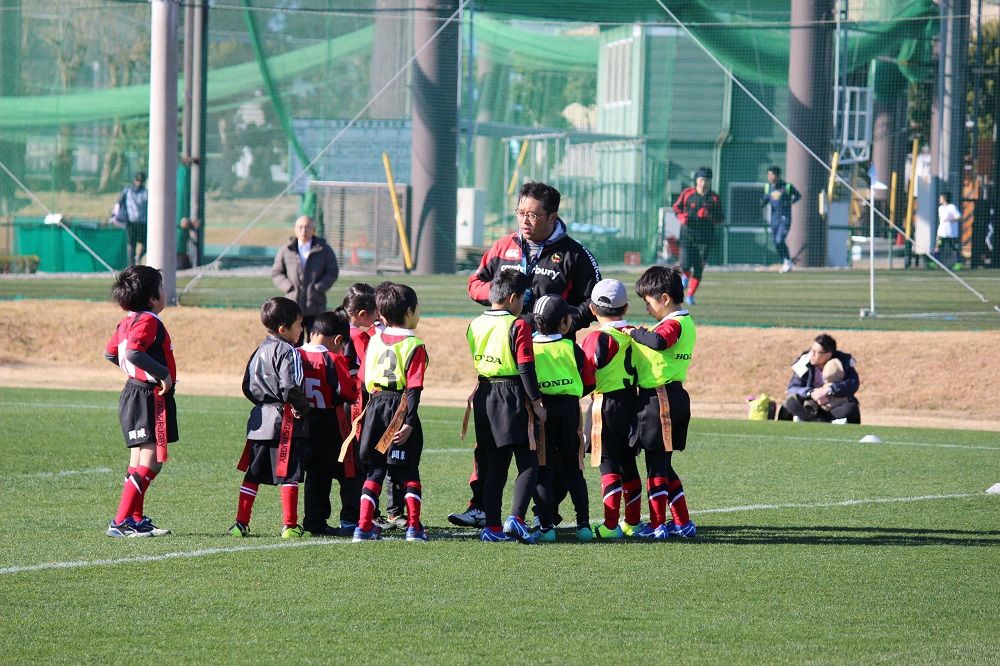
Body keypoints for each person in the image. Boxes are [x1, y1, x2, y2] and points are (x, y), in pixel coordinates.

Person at [452, 180, 601, 529]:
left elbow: (595, 301)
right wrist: (499, 295)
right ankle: (480, 507)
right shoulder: (503, 247)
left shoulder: (575, 254)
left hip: (549, 364)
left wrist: (566, 320)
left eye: (533, 215)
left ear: (552, 216)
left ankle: (544, 513)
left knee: (551, 444)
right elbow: (475, 283)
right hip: (507, 364)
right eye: (520, 213)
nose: (525, 220)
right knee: (492, 440)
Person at [467, 270, 546, 543]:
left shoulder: (475, 324)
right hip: (512, 394)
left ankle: (492, 527)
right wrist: (536, 402)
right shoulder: (518, 325)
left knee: (495, 466)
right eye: (523, 298)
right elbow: (525, 367)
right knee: (529, 461)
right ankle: (516, 519)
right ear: (513, 297)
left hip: (484, 393)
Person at [103, 265, 177, 538]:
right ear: (153, 298)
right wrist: (163, 375)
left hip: (134, 392)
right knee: (152, 461)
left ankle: (135, 519)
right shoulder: (149, 321)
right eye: (161, 287)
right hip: (148, 396)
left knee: (137, 460)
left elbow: (111, 353)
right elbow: (133, 352)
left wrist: (135, 372)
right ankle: (120, 521)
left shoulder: (127, 322)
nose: (164, 292)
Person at [353, 282, 429, 542]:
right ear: (409, 312)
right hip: (400, 407)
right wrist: (409, 421)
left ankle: (363, 527)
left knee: (375, 469)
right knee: (408, 470)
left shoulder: (374, 341)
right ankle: (414, 527)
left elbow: (364, 379)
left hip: (375, 406)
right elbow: (414, 387)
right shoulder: (414, 345)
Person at [230, 297, 311, 539]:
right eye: (299, 325)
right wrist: (301, 407)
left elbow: (246, 385)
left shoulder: (258, 350)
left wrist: (262, 404)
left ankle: (240, 524)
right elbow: (290, 386)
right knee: (289, 472)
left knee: (253, 473)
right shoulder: (289, 351)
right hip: (284, 420)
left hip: (259, 420)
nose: (301, 330)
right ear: (283, 329)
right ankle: (290, 525)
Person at [628, 265, 697, 539]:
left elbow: (659, 341)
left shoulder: (674, 324)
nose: (647, 309)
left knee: (656, 465)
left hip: (661, 399)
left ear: (665, 298)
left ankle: (657, 525)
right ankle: (683, 522)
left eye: (649, 302)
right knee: (664, 465)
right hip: (668, 396)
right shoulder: (682, 322)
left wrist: (635, 333)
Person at [530, 295, 595, 543]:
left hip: (541, 409)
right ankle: (584, 526)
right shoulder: (572, 348)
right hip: (569, 409)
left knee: (543, 468)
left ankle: (546, 527)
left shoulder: (530, 348)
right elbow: (589, 381)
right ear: (565, 323)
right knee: (574, 467)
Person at [581, 279, 641, 541]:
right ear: (625, 308)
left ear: (592, 309)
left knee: (608, 464)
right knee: (629, 463)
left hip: (604, 405)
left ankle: (610, 525)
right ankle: (633, 522)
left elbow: (585, 374)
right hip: (633, 403)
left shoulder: (596, 338)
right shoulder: (636, 335)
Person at [341, 283, 404, 532]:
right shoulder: (358, 336)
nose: (379, 316)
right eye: (376, 311)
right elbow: (364, 371)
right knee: (371, 457)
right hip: (363, 402)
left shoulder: (344, 329)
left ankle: (377, 512)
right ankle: (371, 513)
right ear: (362, 313)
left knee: (368, 457)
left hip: (355, 402)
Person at [297, 309, 360, 537]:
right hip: (330, 421)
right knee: (351, 470)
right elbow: (349, 393)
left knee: (316, 473)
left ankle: (314, 521)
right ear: (338, 340)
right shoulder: (333, 359)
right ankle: (350, 519)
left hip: (302, 422)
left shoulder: (295, 354)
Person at [271, 215, 340, 336]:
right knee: (294, 341)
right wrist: (289, 287)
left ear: (313, 230)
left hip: (316, 305)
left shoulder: (324, 249)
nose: (304, 230)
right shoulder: (286, 249)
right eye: (300, 227)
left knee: (316, 340)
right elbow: (276, 272)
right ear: (295, 229)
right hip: (293, 306)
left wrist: (318, 287)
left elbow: (332, 271)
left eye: (307, 227)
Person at [781, 333, 861, 424]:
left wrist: (828, 390)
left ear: (828, 355)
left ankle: (817, 420)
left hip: (833, 405)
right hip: (811, 405)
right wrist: (811, 393)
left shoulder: (842, 363)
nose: (812, 354)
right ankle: (821, 420)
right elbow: (792, 388)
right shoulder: (805, 362)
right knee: (790, 403)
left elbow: (852, 384)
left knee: (851, 407)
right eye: (812, 350)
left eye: (817, 352)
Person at [672, 167, 723, 305]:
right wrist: (682, 217)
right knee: (685, 265)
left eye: (706, 180)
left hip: (705, 239)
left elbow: (720, 218)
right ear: (696, 181)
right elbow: (676, 208)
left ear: (710, 182)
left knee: (699, 268)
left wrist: (709, 215)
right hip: (687, 236)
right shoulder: (687, 193)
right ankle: (684, 278)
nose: (703, 183)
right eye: (701, 180)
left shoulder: (714, 198)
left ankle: (690, 295)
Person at [760, 166, 801, 273]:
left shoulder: (787, 187)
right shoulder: (768, 187)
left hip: (785, 219)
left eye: (772, 174)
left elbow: (798, 196)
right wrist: (762, 202)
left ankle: (787, 261)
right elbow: (766, 198)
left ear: (777, 175)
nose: (770, 177)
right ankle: (787, 261)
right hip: (774, 220)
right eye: (768, 174)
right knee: (776, 243)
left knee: (779, 240)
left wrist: (790, 202)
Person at [120, 172, 148, 267]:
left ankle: (138, 259)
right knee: (131, 243)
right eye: (137, 180)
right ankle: (131, 264)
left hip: (142, 221)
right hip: (131, 221)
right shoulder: (127, 191)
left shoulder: (145, 193)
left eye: (141, 180)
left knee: (142, 242)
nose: (139, 182)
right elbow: (121, 203)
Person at [937, 192, 963, 270]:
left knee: (955, 248)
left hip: (951, 233)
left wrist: (950, 219)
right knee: (937, 247)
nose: (939, 199)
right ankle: (936, 262)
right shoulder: (940, 208)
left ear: (944, 198)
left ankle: (958, 263)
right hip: (941, 232)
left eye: (941, 198)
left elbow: (959, 217)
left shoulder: (952, 207)